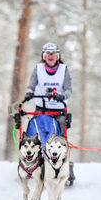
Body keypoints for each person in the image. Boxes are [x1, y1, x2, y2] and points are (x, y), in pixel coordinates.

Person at [24, 42, 75, 186]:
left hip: (58, 110)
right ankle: (37, 165)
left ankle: (62, 168)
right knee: (39, 137)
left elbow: (68, 89)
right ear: (44, 56)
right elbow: (31, 85)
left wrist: (63, 96)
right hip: (41, 108)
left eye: (53, 54)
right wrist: (29, 94)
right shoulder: (38, 69)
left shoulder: (64, 70)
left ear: (57, 56)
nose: (51, 57)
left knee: (59, 140)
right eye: (48, 54)